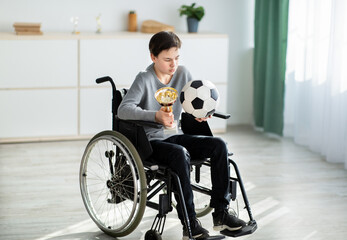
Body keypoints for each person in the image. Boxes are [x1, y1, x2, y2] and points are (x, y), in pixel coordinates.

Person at [118, 31, 246, 240]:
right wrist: (155, 116)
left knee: (219, 145)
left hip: (176, 135)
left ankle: (221, 214)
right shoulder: (144, 79)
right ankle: (190, 225)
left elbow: (189, 103)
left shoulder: (182, 74)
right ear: (153, 57)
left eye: (176, 58)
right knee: (180, 154)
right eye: (167, 59)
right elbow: (123, 110)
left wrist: (198, 115)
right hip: (153, 142)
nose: (173, 64)